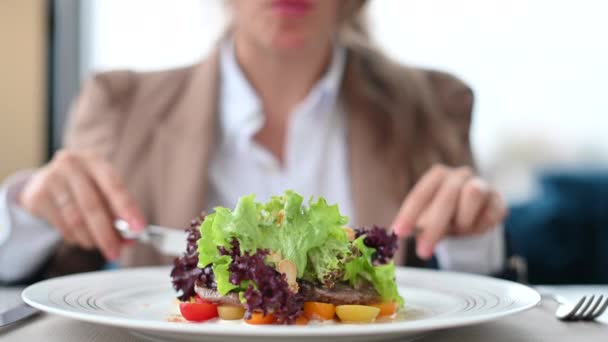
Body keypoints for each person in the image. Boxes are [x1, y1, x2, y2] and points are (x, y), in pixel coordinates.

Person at [0, 0, 506, 283]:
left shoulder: (436, 104)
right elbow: (58, 286)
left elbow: (479, 299)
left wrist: (471, 238)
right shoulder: (119, 104)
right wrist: (28, 212)